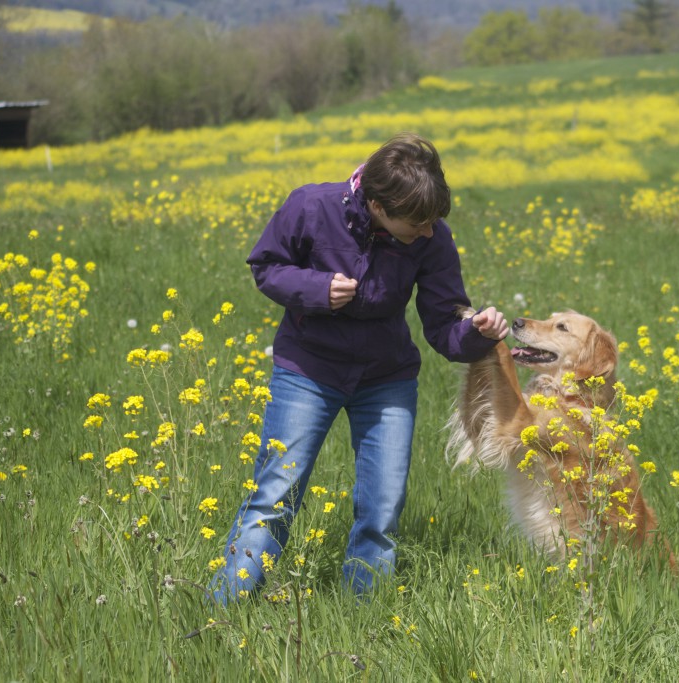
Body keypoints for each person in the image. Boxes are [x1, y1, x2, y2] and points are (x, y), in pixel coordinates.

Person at [210, 133, 508, 603]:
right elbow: (265, 266)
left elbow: (443, 323)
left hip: (386, 379)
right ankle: (223, 610)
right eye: (418, 222)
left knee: (382, 510)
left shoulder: (432, 238)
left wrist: (478, 331)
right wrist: (316, 288)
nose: (428, 232)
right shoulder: (311, 206)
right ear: (377, 204)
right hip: (306, 371)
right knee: (273, 496)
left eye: (433, 222)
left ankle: (363, 616)